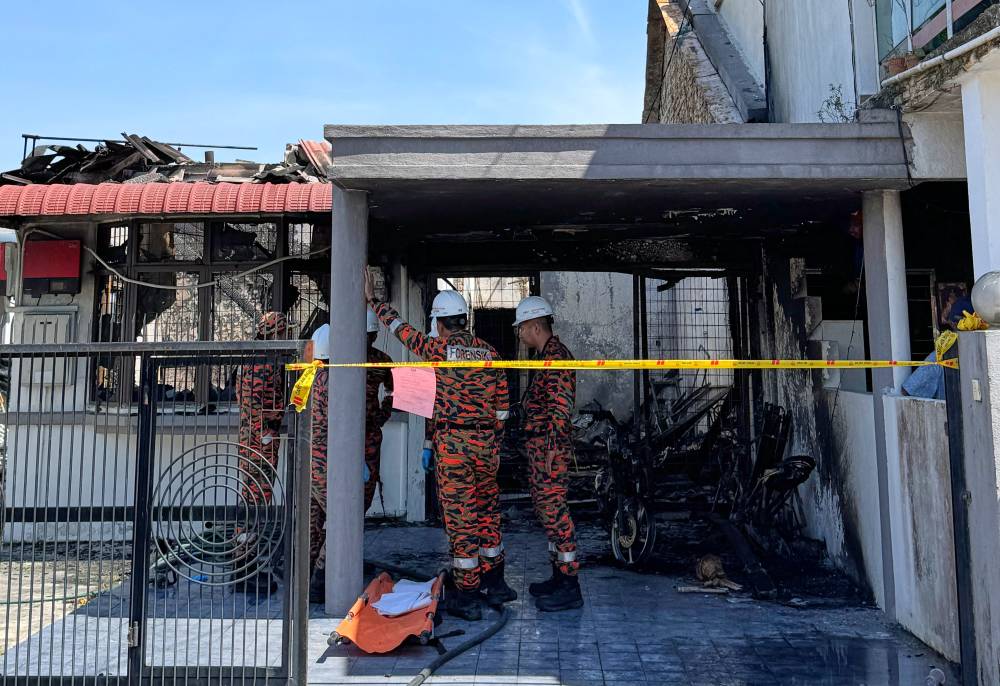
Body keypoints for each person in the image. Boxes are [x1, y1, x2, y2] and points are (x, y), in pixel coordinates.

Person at [365, 269, 514, 621]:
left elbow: (401, 331)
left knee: (462, 520)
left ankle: (468, 594)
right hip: (486, 445)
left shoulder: (439, 349)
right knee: (487, 513)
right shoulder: (490, 353)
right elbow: (503, 409)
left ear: (441, 324)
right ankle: (496, 582)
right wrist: (491, 441)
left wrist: (375, 302)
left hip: (455, 446)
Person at [514, 296, 584, 612]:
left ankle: (570, 585)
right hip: (541, 449)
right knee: (548, 515)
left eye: (521, 328)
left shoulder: (556, 358)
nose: (519, 334)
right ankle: (559, 575)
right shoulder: (546, 357)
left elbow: (559, 411)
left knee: (556, 514)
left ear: (535, 326)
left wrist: (552, 453)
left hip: (549, 451)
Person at [235, 311, 288, 594]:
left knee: (257, 500)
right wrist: (264, 430)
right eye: (282, 331)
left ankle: (246, 563)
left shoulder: (267, 358)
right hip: (259, 441)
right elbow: (252, 402)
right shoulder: (261, 361)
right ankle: (244, 568)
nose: (286, 336)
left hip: (260, 437)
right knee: (255, 501)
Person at [901, 296, 973, 400]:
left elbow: (908, 390)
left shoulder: (940, 355)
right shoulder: (941, 356)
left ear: (953, 324)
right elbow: (909, 389)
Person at [307, 323, 330, 603]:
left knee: (313, 524)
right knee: (339, 521)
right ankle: (322, 579)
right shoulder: (335, 379)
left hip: (310, 462)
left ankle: (306, 575)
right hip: (328, 461)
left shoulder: (308, 377)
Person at [365, 309, 395, 512]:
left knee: (368, 481)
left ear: (375, 336)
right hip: (341, 431)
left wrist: (383, 414)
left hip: (369, 431)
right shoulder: (337, 358)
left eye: (369, 336)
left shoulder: (382, 360)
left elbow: (394, 390)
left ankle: (357, 519)